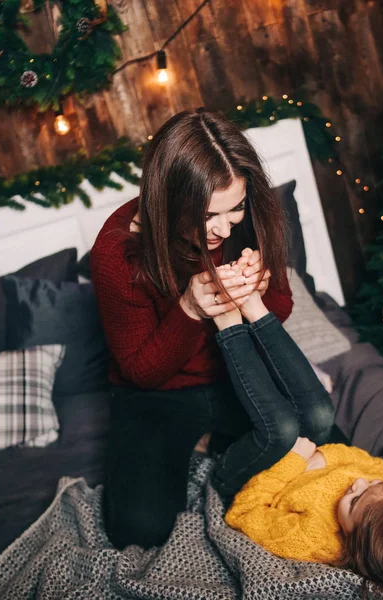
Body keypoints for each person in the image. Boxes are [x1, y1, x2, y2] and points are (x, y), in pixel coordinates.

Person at [90, 108, 334, 550]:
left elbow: (281, 305)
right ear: (170, 202)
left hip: (233, 370)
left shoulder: (250, 215)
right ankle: (215, 444)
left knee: (329, 439)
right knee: (137, 532)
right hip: (156, 393)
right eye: (207, 216)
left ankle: (222, 445)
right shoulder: (116, 252)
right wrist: (187, 309)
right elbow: (140, 371)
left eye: (235, 208)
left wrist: (256, 291)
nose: (224, 228)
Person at [219, 291, 383, 600]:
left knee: (283, 426)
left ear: (355, 541)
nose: (357, 482)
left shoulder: (312, 539)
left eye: (355, 500)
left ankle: (230, 329)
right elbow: (365, 462)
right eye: (373, 483)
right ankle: (259, 316)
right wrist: (319, 456)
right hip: (308, 451)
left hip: (250, 476)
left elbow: (243, 513)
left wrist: (295, 461)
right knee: (320, 410)